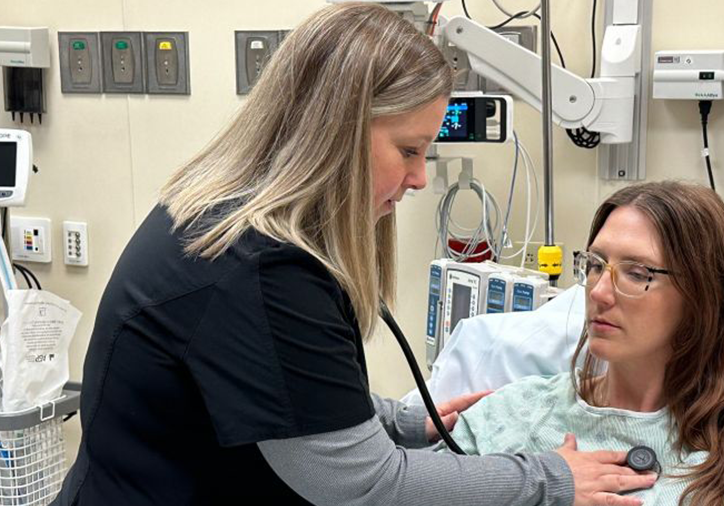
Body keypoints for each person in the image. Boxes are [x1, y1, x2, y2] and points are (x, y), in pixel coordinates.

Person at [52, 4, 657, 505]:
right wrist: (549, 481)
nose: (421, 179)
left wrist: (393, 422)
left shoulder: (219, 209)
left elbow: (268, 384)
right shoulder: (261, 269)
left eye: (639, 274)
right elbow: (359, 482)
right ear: (335, 131)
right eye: (410, 150)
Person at [441, 182, 724, 506]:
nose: (599, 291)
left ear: (702, 296)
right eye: (596, 264)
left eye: (636, 273)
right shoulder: (513, 417)